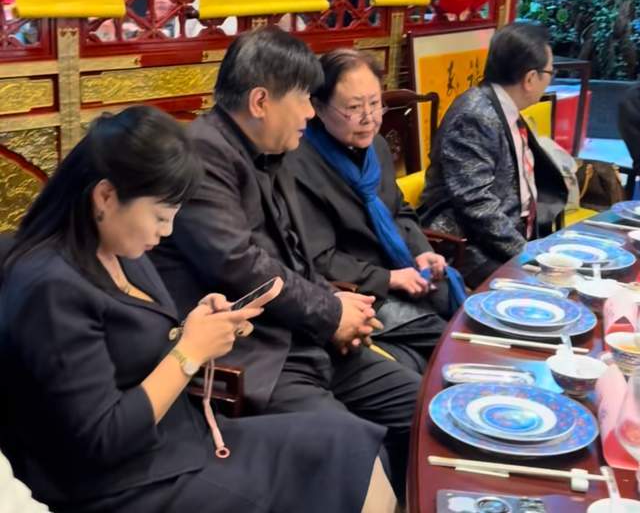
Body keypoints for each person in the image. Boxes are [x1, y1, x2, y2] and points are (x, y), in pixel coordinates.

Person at [0, 106, 393, 513]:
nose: (167, 231)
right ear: (105, 196)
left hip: (182, 440)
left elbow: (133, 341)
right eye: (160, 216)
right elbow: (102, 439)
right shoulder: (49, 287)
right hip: (125, 483)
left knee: (351, 444)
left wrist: (197, 324)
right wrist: (190, 351)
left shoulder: (119, 248)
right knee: (344, 463)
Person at [151, 26, 421, 501]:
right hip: (257, 353)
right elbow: (239, 266)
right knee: (357, 457)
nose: (310, 113)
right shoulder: (202, 155)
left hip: (305, 337)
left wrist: (337, 307)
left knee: (421, 409)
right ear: (260, 101)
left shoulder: (271, 150)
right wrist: (331, 312)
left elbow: (296, 255)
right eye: (303, 99)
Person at [288, 49, 450, 373]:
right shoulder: (299, 162)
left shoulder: (376, 146)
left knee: (469, 312)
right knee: (452, 342)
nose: (369, 118)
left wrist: (422, 251)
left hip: (405, 271)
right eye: (353, 107)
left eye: (375, 104)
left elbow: (399, 210)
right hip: (363, 293)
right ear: (318, 107)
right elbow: (320, 257)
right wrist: (389, 279)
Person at [417, 21, 567, 288]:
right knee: (552, 288)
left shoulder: (503, 107)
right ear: (530, 79)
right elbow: (477, 206)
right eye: (549, 72)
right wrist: (527, 255)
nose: (549, 80)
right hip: (469, 244)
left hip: (507, 231)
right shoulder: (476, 115)